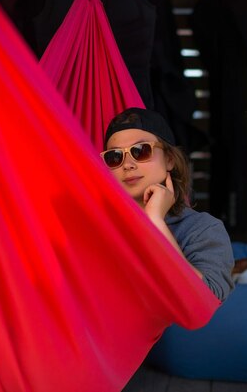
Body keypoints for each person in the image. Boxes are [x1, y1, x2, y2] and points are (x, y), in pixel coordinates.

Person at [101, 107, 235, 302]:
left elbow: (205, 302)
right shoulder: (97, 224)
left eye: (141, 150)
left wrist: (156, 223)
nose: (127, 164)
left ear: (169, 159)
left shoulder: (202, 229)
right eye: (115, 156)